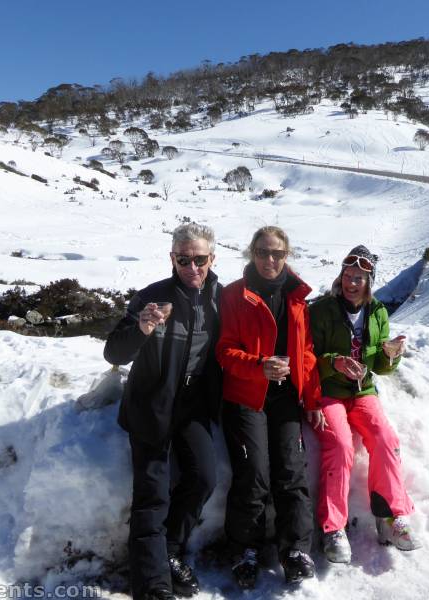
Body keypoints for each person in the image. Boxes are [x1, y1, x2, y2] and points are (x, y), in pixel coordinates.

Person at [103, 223, 223, 600]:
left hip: (193, 406)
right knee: (152, 496)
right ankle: (152, 586)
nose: (192, 267)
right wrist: (141, 327)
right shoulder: (151, 297)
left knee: (204, 478)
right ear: (172, 258)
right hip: (151, 406)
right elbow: (114, 353)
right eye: (183, 259)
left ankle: (169, 551)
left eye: (199, 259)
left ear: (211, 259)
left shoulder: (222, 297)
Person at [215, 226, 322, 589]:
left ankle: (295, 550)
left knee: (291, 471)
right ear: (252, 253)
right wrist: (258, 365)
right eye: (262, 252)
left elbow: (306, 353)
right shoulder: (233, 295)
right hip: (246, 396)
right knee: (254, 473)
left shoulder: (297, 298)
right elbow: (224, 351)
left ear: (287, 255)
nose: (270, 259)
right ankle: (245, 550)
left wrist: (312, 399)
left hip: (286, 398)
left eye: (276, 253)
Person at [308, 245, 421, 564]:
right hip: (329, 390)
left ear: (369, 281)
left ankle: (390, 518)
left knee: (385, 439)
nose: (351, 282)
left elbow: (382, 368)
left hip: (362, 391)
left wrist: (389, 355)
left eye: (359, 277)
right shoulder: (321, 310)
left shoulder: (378, 312)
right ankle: (333, 527)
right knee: (340, 445)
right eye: (347, 276)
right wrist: (335, 363)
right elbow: (308, 358)